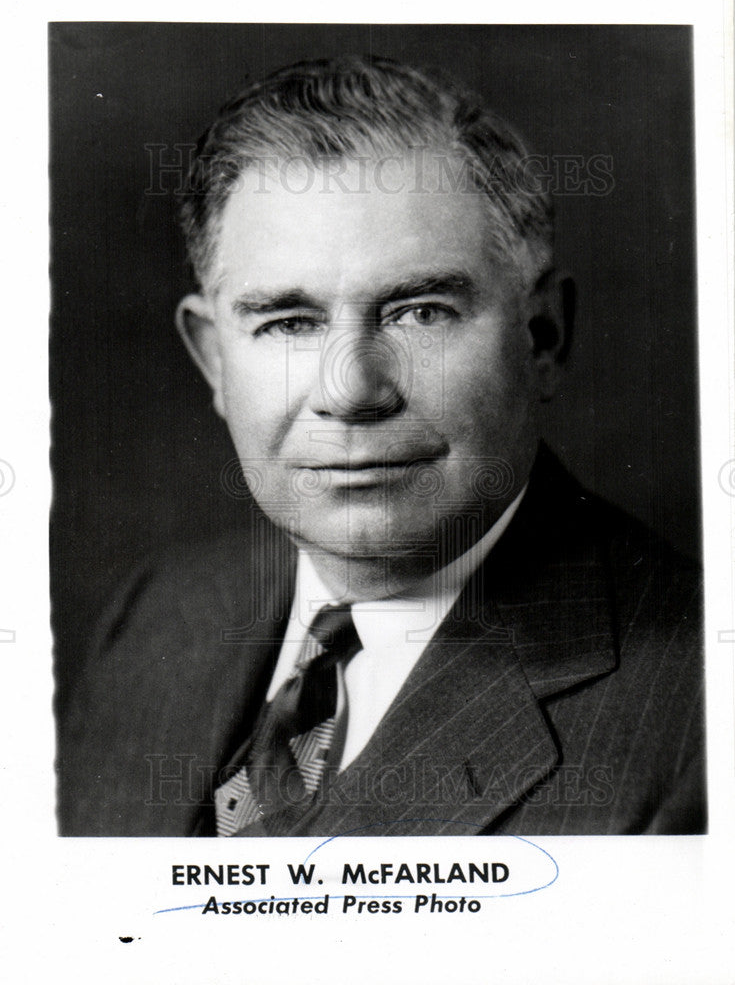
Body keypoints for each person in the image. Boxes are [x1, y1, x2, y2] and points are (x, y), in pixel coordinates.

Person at [58, 55, 705, 836]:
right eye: (288, 324)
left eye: (419, 312)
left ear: (542, 338)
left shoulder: (699, 721)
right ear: (213, 360)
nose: (351, 390)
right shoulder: (157, 615)